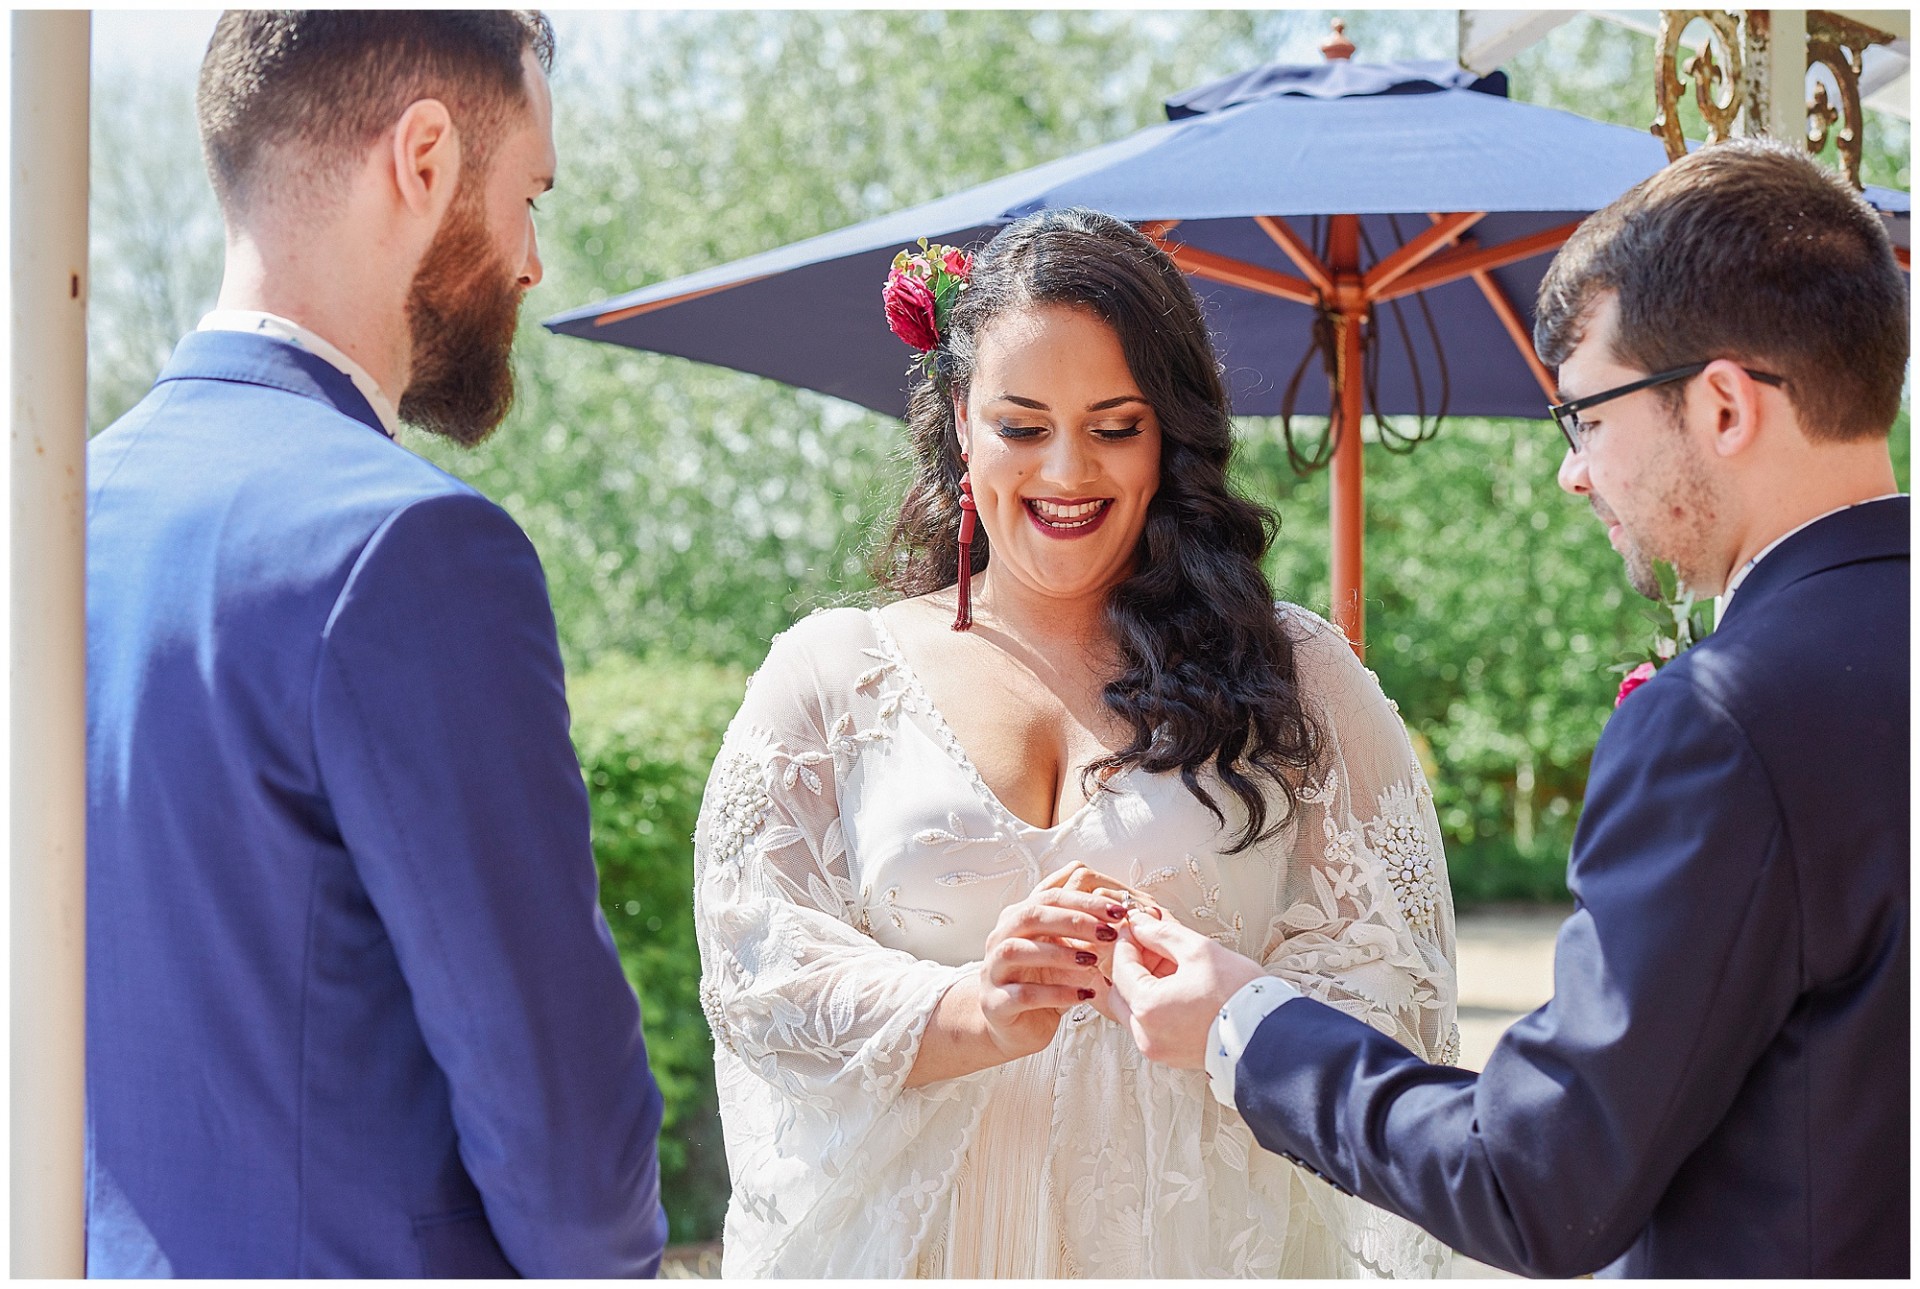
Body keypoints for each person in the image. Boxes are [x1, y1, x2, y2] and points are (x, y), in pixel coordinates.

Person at [1107, 137, 1909, 1278]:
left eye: (1586, 415)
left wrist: (1243, 1024)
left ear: (1724, 403)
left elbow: (1541, 1182)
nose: (1573, 473)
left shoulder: (1726, 720)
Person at [691, 207, 1459, 1277]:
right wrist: (972, 1004)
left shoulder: (1299, 676)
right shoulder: (827, 678)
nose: (1066, 469)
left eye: (1113, 424)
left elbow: (1404, 991)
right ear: (961, 422)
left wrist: (1227, 998)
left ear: (1170, 432)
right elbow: (755, 970)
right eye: (1021, 424)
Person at [86, 12, 667, 1276]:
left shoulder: (48, 526)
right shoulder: (413, 553)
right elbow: (567, 1136)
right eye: (530, 194)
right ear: (423, 157)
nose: (531, 259)